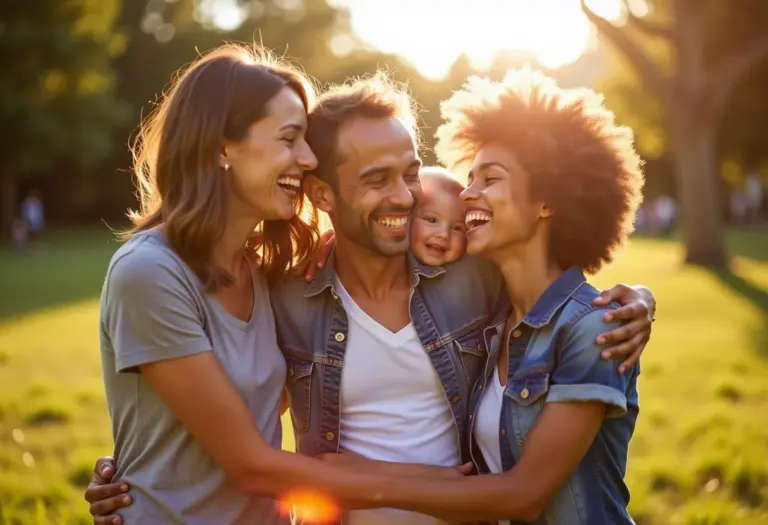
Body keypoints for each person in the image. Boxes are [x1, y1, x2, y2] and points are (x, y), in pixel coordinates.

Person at [86, 71, 656, 525]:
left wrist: (637, 300)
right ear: (323, 193)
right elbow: (243, 433)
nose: (406, 196)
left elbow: (552, 285)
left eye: (410, 174)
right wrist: (134, 472)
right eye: (377, 179)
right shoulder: (284, 291)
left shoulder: (466, 273)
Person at [91, 43, 476, 525]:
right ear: (221, 147)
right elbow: (251, 465)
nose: (308, 157)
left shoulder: (264, 274)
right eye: (290, 138)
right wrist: (426, 484)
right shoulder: (150, 272)